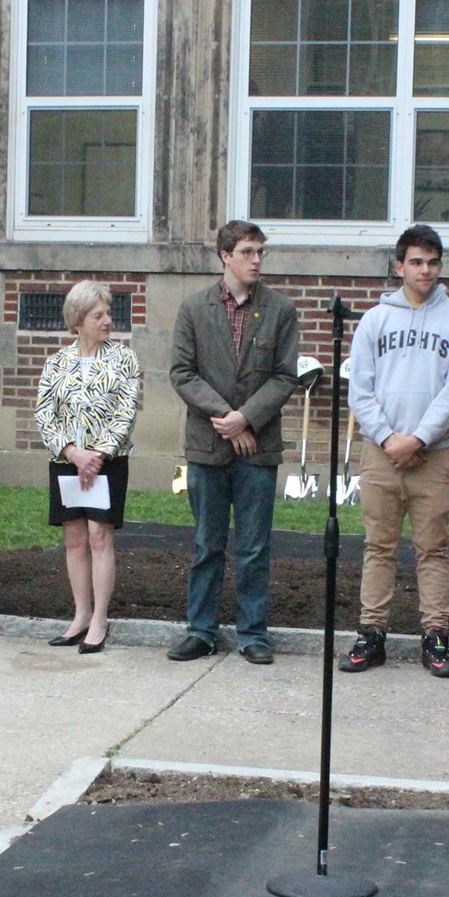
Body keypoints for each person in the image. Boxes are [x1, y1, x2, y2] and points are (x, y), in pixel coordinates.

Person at [337, 224, 449, 679]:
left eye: (433, 262)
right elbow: (360, 388)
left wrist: (418, 438)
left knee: (432, 549)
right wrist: (387, 438)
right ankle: (371, 634)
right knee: (378, 547)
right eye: (416, 262)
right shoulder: (375, 321)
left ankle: (436, 638)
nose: (425, 270)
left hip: (433, 455)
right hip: (380, 452)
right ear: (399, 266)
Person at [166, 221, 301, 665]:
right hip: (208, 446)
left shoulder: (280, 310)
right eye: (247, 251)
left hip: (258, 448)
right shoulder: (194, 309)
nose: (257, 260)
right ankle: (201, 630)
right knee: (207, 543)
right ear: (225, 255)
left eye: (261, 252)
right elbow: (183, 373)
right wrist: (227, 418)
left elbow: (285, 376)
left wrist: (248, 418)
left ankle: (253, 632)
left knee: (255, 545)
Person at [34, 280, 143, 655]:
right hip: (66, 461)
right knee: (75, 538)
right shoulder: (56, 363)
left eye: (108, 313)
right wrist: (71, 452)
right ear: (78, 321)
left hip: (107, 462)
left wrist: (97, 454)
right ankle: (80, 615)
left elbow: (126, 411)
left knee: (99, 536)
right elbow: (44, 413)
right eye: (98, 315)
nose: (107, 321)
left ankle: (100, 618)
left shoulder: (124, 359)